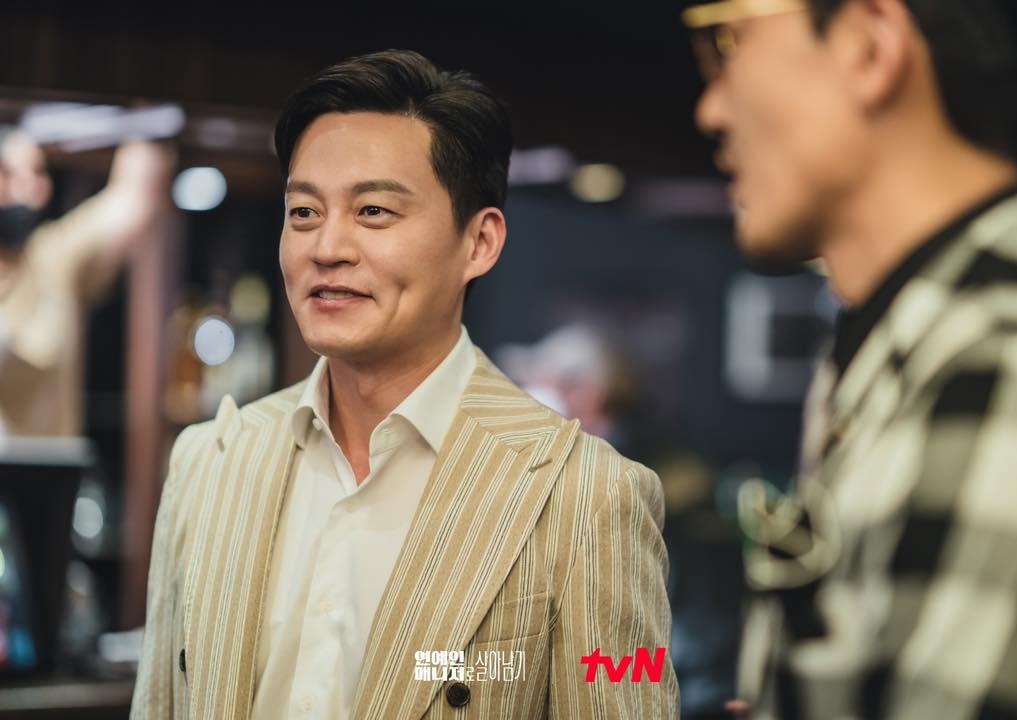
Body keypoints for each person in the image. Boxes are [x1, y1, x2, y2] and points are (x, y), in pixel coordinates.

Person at [132, 50, 678, 719]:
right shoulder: (210, 462)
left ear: (479, 242)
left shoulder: (587, 495)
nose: (327, 247)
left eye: (373, 211)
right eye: (303, 212)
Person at [681, 0, 1017, 717]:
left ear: (869, 47)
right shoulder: (920, 354)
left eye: (727, 41)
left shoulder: (1013, 371)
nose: (710, 109)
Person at [0, 128, 173, 437]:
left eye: (38, 173)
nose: (29, 189)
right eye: (7, 173)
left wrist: (143, 119)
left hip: (46, 466)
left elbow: (133, 197)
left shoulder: (52, 258)